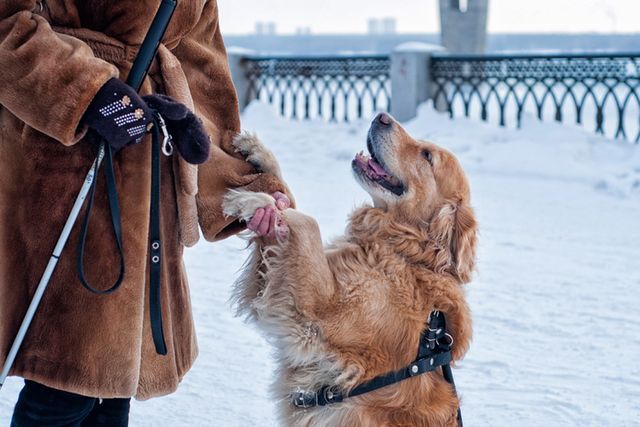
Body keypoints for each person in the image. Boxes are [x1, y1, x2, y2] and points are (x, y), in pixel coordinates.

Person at [0, 0, 291, 425]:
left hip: (149, 184)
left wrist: (242, 188)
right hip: (58, 171)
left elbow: (202, 78)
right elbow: (7, 27)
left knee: (114, 387)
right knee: (63, 385)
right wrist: (86, 92)